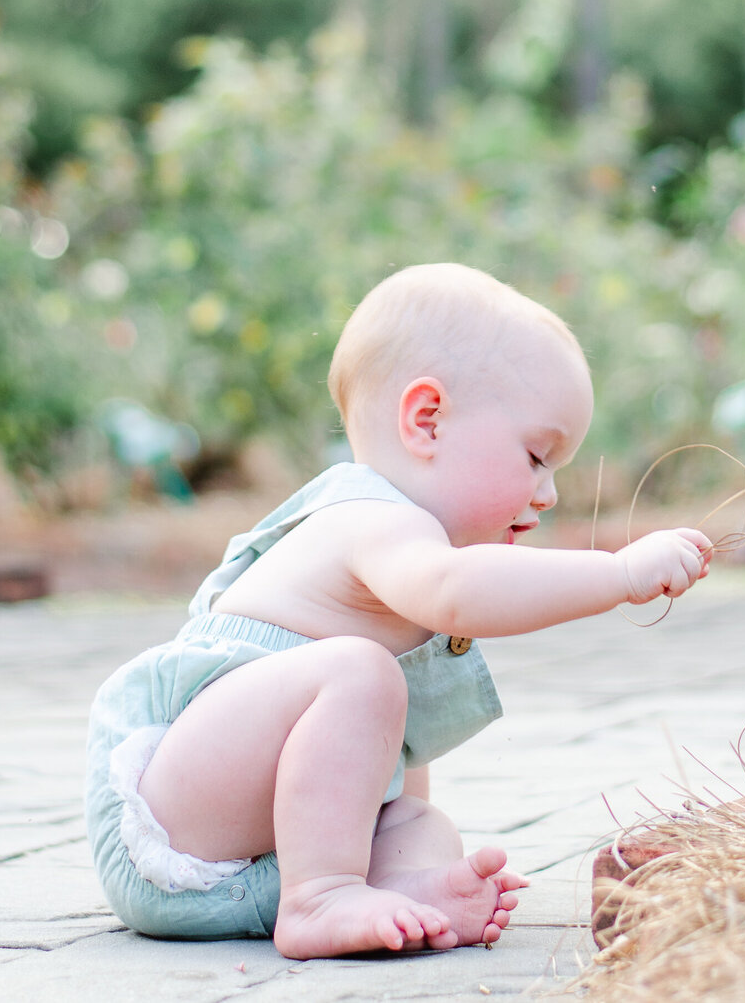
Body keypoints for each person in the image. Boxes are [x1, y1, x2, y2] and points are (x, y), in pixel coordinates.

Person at [85, 262, 713, 961]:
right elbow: (459, 589)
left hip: (256, 849)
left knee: (416, 815)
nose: (549, 493)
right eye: (537, 456)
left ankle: (402, 892)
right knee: (362, 673)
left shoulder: (405, 562)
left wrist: (413, 867)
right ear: (427, 420)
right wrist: (619, 573)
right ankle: (321, 900)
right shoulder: (372, 519)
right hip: (171, 832)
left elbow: (385, 747)